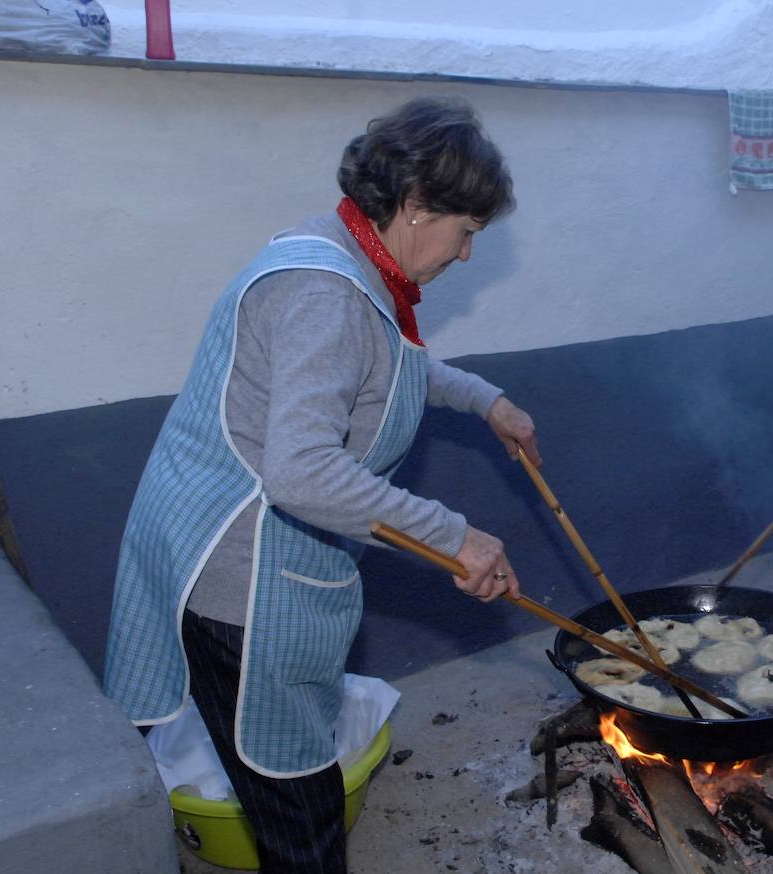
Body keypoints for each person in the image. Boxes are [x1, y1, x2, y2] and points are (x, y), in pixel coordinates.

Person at [101, 96, 540, 873]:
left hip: (201, 544)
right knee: (299, 815)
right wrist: (455, 536)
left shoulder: (340, 250)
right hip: (243, 581)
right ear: (415, 206)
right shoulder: (328, 292)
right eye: (467, 232)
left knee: (281, 792)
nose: (468, 253)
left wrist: (486, 401)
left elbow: (379, 366)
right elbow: (303, 471)